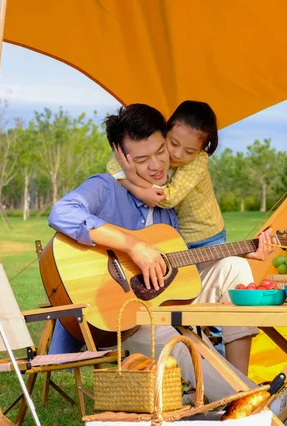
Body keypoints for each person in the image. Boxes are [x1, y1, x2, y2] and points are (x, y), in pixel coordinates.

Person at [47, 103, 274, 401]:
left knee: (234, 268)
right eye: (142, 158)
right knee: (173, 335)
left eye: (161, 151)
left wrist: (246, 251)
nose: (157, 165)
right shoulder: (104, 187)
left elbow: (178, 264)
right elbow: (61, 213)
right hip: (121, 319)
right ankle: (250, 400)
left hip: (160, 302)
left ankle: (233, 386)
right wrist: (132, 245)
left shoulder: (171, 191)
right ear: (119, 154)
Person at [107, 100, 225, 250]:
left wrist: (135, 181)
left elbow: (168, 198)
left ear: (200, 149)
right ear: (165, 132)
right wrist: (134, 185)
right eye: (173, 143)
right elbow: (113, 166)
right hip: (177, 236)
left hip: (207, 235)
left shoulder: (197, 161)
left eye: (189, 151)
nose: (177, 154)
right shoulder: (159, 149)